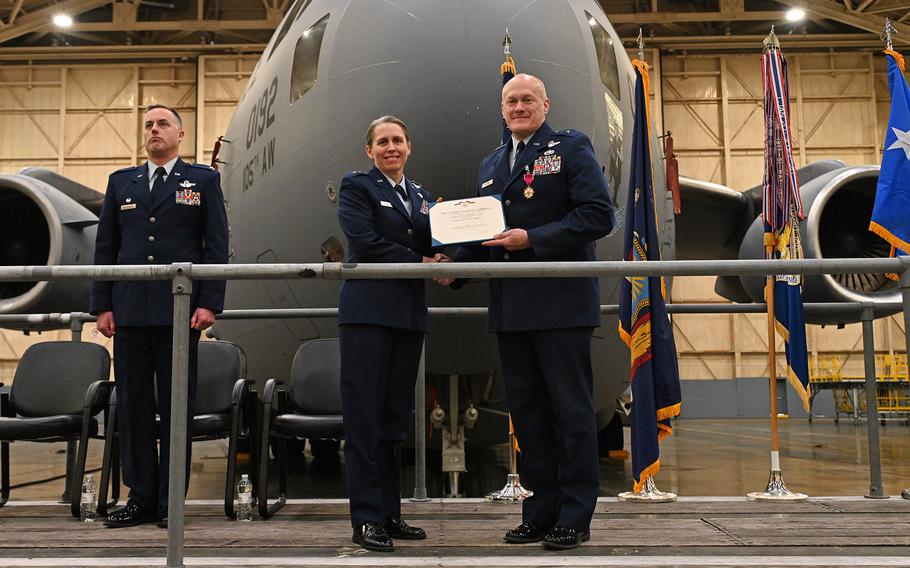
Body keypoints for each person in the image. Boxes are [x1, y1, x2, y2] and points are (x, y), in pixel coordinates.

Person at [452, 74, 615, 549]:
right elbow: (487, 231)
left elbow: (597, 215)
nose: (519, 106)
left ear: (545, 104)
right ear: (501, 110)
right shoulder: (490, 163)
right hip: (511, 306)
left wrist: (534, 239)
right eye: (510, 101)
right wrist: (453, 269)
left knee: (572, 413)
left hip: (560, 304)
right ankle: (540, 511)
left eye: (527, 99)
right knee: (528, 417)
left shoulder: (569, 148)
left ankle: (575, 516)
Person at [90, 104, 229, 528]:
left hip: (180, 310)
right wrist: (102, 304)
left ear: (180, 134)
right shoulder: (121, 183)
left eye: (162, 124)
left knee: (175, 407)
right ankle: (141, 497)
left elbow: (215, 246)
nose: (154, 130)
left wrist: (210, 302)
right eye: (148, 125)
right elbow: (105, 250)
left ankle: (172, 499)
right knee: (132, 405)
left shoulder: (203, 181)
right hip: (129, 311)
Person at [337, 115, 447, 552]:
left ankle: (390, 513)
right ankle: (365, 519)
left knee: (394, 420)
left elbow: (434, 243)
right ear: (370, 151)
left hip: (407, 316)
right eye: (382, 142)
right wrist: (423, 265)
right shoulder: (357, 188)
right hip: (367, 315)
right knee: (364, 420)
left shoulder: (419, 196)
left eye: (398, 140)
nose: (390, 147)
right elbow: (364, 242)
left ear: (408, 147)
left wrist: (457, 259)